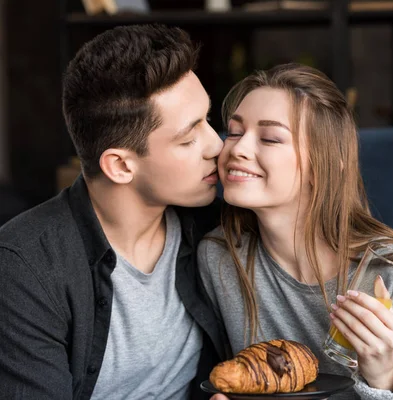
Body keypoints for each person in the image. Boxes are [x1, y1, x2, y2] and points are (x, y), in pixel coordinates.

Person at [198, 63, 393, 399]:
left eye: (269, 137)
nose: (237, 149)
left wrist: (387, 375)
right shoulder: (220, 258)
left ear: (324, 164)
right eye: (234, 132)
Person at [0, 24, 229, 399]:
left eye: (207, 120)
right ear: (120, 166)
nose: (214, 145)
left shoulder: (213, 227)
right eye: (188, 139)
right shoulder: (24, 268)